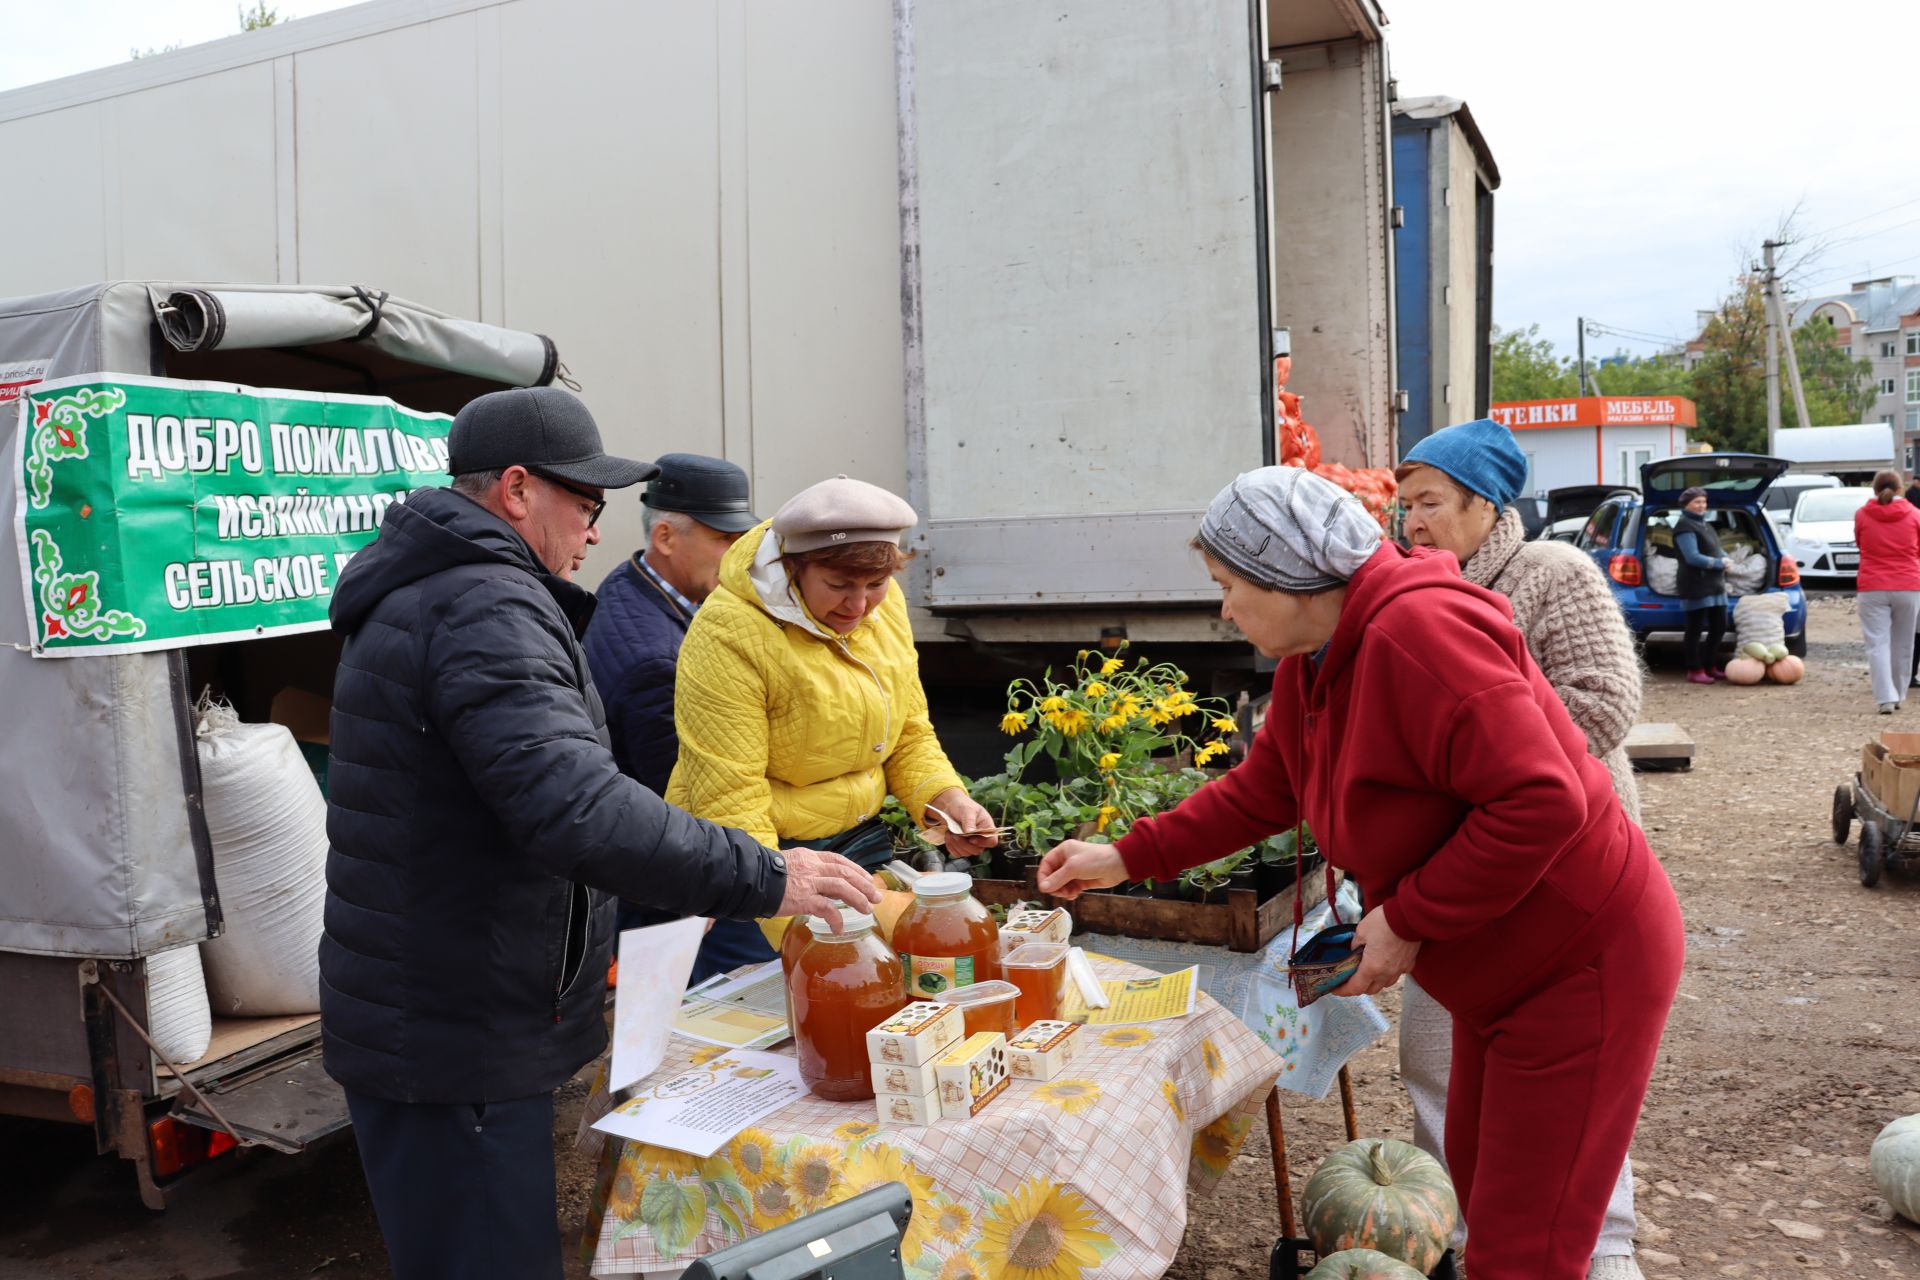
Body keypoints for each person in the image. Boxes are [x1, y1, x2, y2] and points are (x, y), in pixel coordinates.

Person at [1039, 467, 1684, 1280]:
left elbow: (1542, 802)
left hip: (1579, 964)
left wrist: (1406, 917)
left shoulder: (1419, 636)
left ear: (1290, 577)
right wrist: (1127, 856)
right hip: (1501, 972)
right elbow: (1266, 788)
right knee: (1486, 1201)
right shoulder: (1315, 658)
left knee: (1532, 1244)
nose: (1225, 609)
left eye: (1229, 586)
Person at [320, 388, 879, 1280]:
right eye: (585, 504)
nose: (592, 531)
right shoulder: (481, 609)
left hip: (442, 1003)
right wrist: (764, 873)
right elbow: (573, 804)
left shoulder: (453, 590)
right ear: (514, 489)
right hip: (456, 1022)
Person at [1396, 418, 1646, 1280]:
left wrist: (1479, 759)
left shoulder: (1553, 574)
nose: (1413, 523)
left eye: (1430, 502)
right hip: (1457, 867)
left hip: (1562, 864)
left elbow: (1608, 703)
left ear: (1486, 503)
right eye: (1405, 506)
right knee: (1433, 1052)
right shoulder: (1407, 595)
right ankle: (1465, 1231)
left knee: (1573, 1080)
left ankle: (1602, 1243)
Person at [669, 474, 997, 984]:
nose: (859, 606)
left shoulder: (883, 612)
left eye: (875, 585)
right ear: (793, 568)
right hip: (754, 851)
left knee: (872, 987)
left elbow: (908, 730)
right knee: (776, 1001)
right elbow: (729, 798)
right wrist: (774, 891)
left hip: (853, 839)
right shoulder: (728, 634)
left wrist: (944, 799)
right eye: (839, 585)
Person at [584, 454, 759, 930]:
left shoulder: (631, 581)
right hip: (654, 899)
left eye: (743, 539)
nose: (741, 556)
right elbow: (690, 798)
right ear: (664, 537)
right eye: (725, 539)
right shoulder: (657, 662)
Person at [1853, 469, 1920, 714]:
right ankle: (1899, 693)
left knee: (1877, 643)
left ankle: (1885, 699)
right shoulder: (1915, 514)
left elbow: (1861, 544)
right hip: (1908, 585)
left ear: (1874, 489)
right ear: (1900, 489)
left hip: (1872, 586)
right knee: (1904, 643)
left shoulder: (1862, 514)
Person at [1672, 486, 1729, 685]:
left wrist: (1726, 558)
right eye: (1697, 502)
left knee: (1719, 626)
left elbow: (1717, 549)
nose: (1701, 505)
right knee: (1694, 629)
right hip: (1695, 583)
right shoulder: (1684, 527)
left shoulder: (1706, 525)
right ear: (1686, 505)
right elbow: (1692, 557)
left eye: (1703, 501)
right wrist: (1719, 563)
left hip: (1714, 583)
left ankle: (1710, 665)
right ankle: (1694, 669)